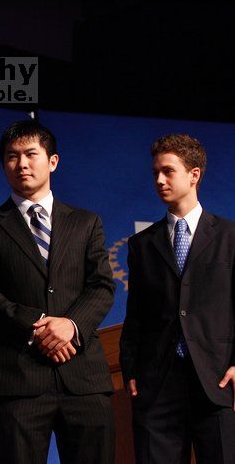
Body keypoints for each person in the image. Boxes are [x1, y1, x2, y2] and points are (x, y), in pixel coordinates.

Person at [0, 120, 116, 464]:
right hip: (19, 380)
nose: (22, 164)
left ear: (53, 161)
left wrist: (71, 326)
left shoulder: (86, 222)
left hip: (84, 379)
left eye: (31, 154)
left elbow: (102, 286)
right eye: (12, 157)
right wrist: (42, 324)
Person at [119, 134, 235, 464]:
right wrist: (130, 367)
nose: (159, 180)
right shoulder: (142, 244)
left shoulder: (230, 237)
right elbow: (137, 313)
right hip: (158, 386)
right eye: (156, 172)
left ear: (194, 174)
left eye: (168, 171)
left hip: (216, 382)